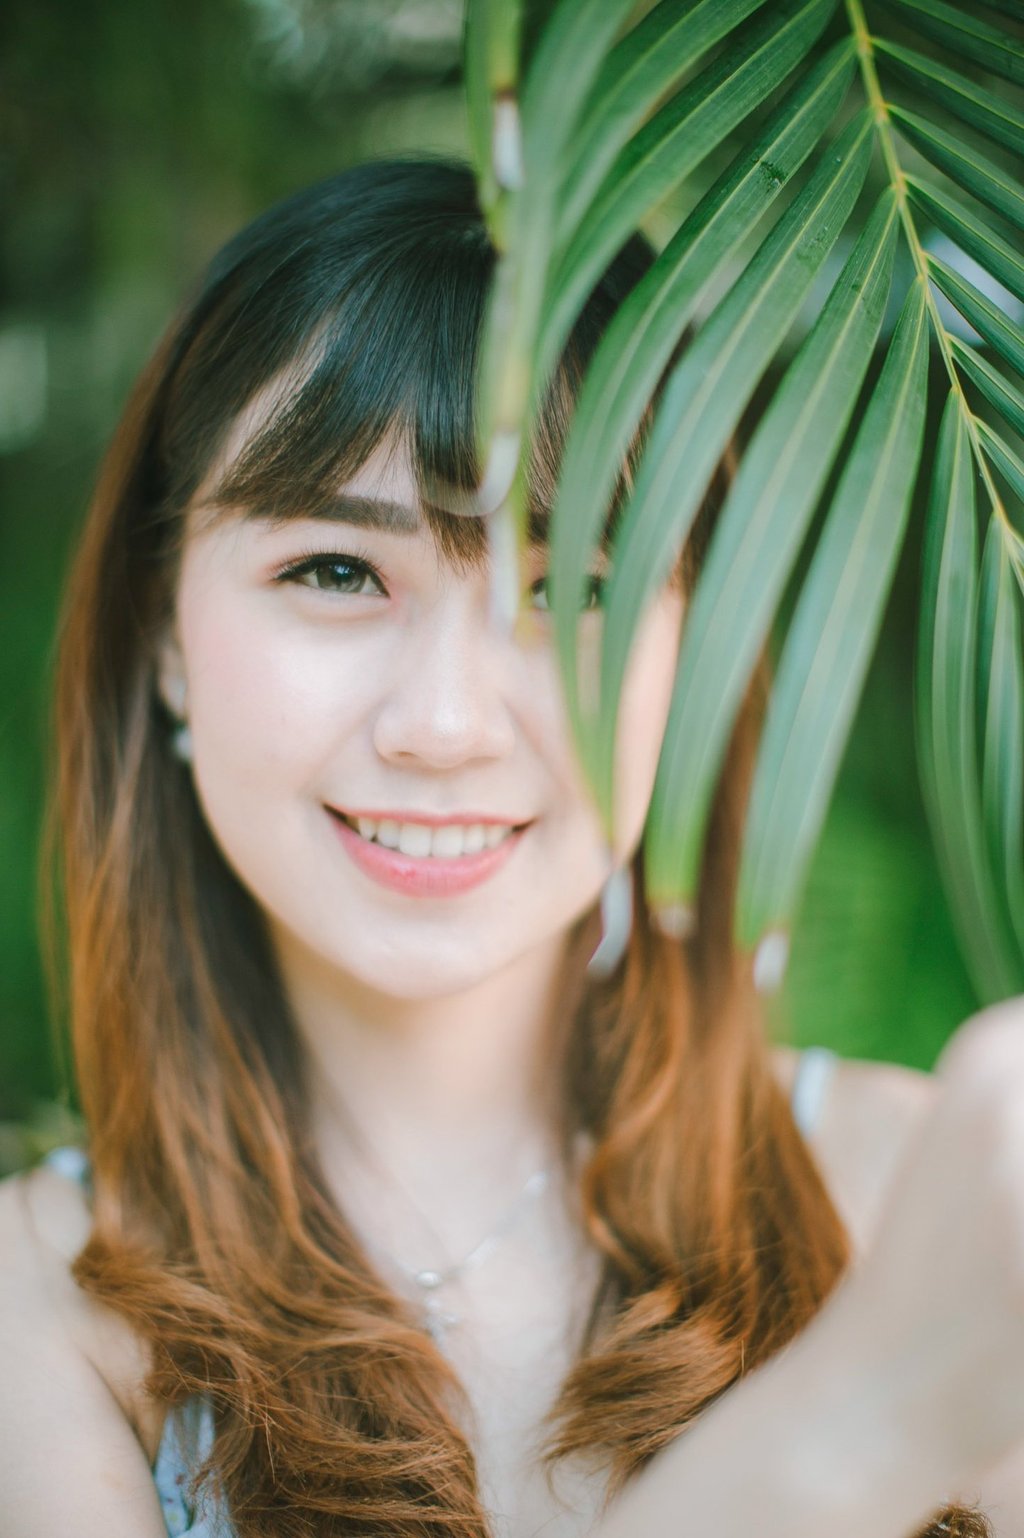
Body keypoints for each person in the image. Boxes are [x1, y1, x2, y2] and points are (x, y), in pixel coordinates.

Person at [1, 155, 1022, 1538]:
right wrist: (865, 1425)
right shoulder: (37, 1308)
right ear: (164, 640)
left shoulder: (936, 1202)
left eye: (574, 586)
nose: (444, 723)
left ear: (698, 653)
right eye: (337, 571)